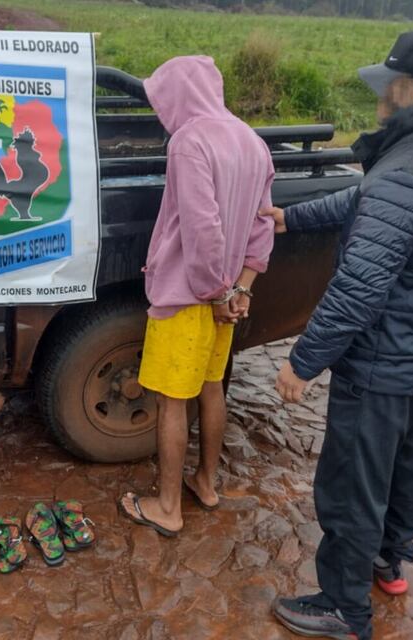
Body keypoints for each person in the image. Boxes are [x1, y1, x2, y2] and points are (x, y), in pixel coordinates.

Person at [265, 30, 413, 640]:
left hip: (383, 362)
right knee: (408, 461)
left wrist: (302, 363)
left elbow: (358, 287)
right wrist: (291, 217)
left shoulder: (406, 173)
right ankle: (390, 561)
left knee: (353, 478)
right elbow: (367, 201)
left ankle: (344, 609)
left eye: (388, 89)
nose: (380, 100)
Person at [119, 56, 276, 536]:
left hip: (191, 296)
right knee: (211, 387)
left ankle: (167, 507)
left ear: (179, 95)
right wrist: (239, 290)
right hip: (226, 297)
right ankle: (205, 483)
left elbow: (201, 228)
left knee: (171, 400)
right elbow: (263, 224)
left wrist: (213, 293)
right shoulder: (253, 141)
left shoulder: (189, 143)